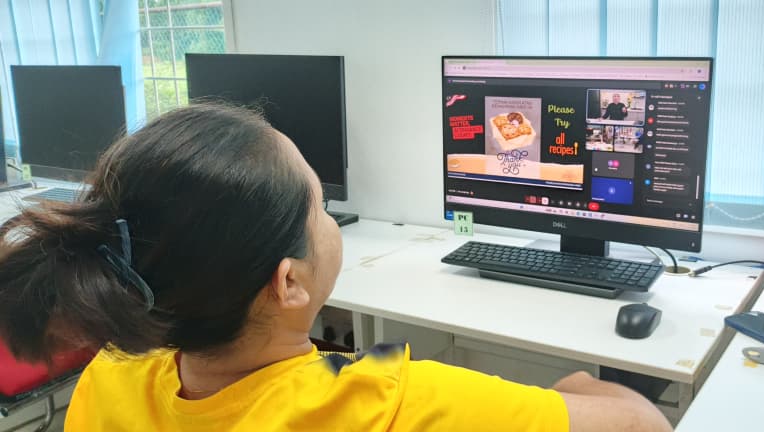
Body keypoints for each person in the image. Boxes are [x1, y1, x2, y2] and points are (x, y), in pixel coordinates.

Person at [0, 104, 672, 432]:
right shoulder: (388, 400)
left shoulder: (111, 377)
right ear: (289, 281)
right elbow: (645, 424)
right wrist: (577, 384)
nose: (329, 219)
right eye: (320, 205)